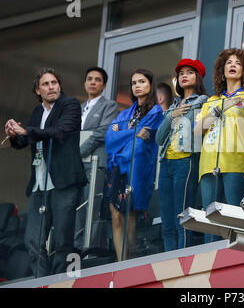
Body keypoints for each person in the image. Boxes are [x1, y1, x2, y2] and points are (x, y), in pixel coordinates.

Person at [4, 68, 87, 277]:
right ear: (37, 90)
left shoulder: (70, 105)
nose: (51, 87)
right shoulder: (37, 112)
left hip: (64, 181)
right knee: (32, 240)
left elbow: (60, 132)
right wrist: (14, 134)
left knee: (62, 239)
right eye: (46, 84)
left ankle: (63, 281)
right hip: (40, 183)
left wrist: (28, 131)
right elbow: (25, 141)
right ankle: (42, 281)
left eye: (54, 83)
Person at [194, 49, 244, 241]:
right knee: (210, 219)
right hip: (208, 166)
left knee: (236, 216)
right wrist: (222, 107)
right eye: (228, 63)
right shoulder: (211, 102)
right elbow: (197, 130)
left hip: (237, 163)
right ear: (222, 70)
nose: (232, 66)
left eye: (237, 63)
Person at [105, 69, 163, 261]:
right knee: (115, 216)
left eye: (142, 81)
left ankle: (130, 260)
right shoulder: (125, 112)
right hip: (117, 168)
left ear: (150, 85)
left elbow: (139, 144)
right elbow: (109, 140)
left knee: (130, 215)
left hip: (137, 168)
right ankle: (121, 262)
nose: (137, 85)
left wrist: (121, 133)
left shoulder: (156, 111)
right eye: (134, 82)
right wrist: (131, 133)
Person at [155, 59, 208, 251]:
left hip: (186, 160)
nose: (184, 75)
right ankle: (169, 259)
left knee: (182, 215)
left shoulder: (203, 101)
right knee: (167, 219)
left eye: (190, 72)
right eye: (181, 73)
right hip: (166, 162)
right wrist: (171, 115)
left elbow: (197, 131)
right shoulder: (174, 104)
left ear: (198, 77)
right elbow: (159, 138)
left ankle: (183, 259)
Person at [74, 67, 118, 250]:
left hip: (95, 161)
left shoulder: (110, 105)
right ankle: (76, 245)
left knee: (92, 204)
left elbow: (102, 132)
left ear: (104, 85)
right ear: (85, 83)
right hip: (77, 163)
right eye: (89, 79)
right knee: (76, 206)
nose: (93, 82)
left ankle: (90, 247)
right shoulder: (79, 108)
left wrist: (79, 152)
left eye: (97, 79)